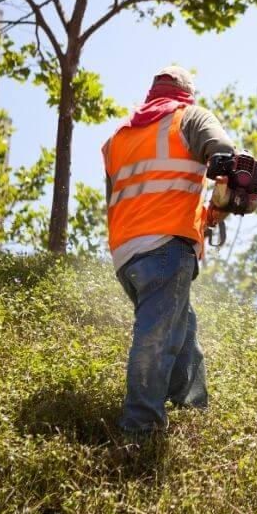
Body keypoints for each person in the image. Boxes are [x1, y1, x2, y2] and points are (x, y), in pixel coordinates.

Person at [101, 66, 234, 434]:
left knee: (181, 330)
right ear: (186, 93)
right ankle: (140, 431)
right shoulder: (190, 117)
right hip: (166, 249)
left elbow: (134, 197)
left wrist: (209, 213)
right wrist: (229, 195)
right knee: (156, 339)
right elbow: (224, 156)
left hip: (127, 255)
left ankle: (193, 411)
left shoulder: (118, 138)